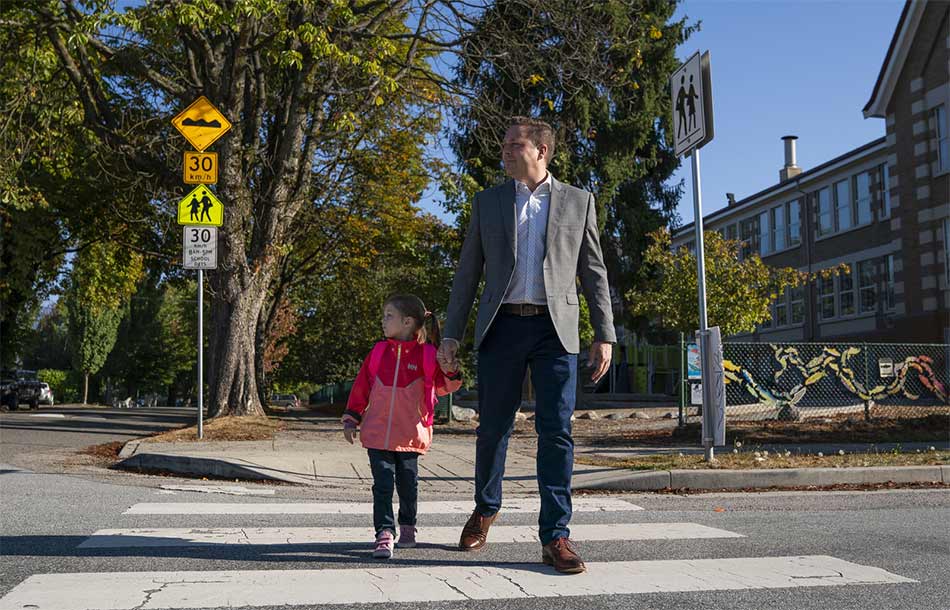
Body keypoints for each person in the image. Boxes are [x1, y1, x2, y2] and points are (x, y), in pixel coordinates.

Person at [438, 116, 615, 574]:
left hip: (556, 331)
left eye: (514, 145)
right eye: (504, 145)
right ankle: (485, 508)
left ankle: (555, 535)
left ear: (541, 151)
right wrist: (451, 334)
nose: (505, 151)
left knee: (556, 432)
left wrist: (604, 334)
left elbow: (594, 272)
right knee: (492, 428)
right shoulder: (488, 202)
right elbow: (467, 274)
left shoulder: (579, 201)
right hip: (502, 327)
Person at [342, 294, 463, 559]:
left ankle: (408, 525)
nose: (383, 321)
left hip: (410, 434)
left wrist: (451, 370)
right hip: (377, 434)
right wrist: (352, 417)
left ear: (407, 322)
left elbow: (446, 386)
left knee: (408, 484)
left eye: (388, 316)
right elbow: (362, 386)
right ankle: (384, 533)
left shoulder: (427, 355)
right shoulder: (378, 352)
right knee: (383, 484)